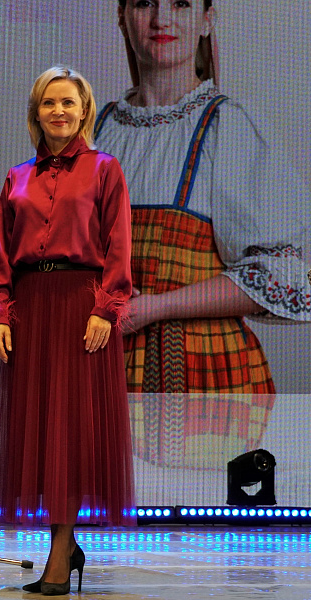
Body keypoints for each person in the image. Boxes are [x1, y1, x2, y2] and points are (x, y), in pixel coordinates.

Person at [94, 0, 311, 467]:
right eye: (144, 3)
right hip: (96, 377)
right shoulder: (95, 131)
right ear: (122, 16)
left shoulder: (227, 126)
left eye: (181, 3)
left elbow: (278, 273)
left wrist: (158, 306)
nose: (161, 18)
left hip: (205, 387)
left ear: (207, 19)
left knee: (195, 507)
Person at [0, 65, 136, 596]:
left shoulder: (105, 169)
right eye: (49, 103)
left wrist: (106, 307)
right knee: (41, 435)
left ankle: (59, 556)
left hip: (81, 309)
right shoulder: (16, 177)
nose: (59, 111)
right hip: (31, 308)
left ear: (84, 110)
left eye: (68, 102)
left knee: (71, 433)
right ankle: (64, 547)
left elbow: (118, 245)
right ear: (36, 112)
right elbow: (0, 253)